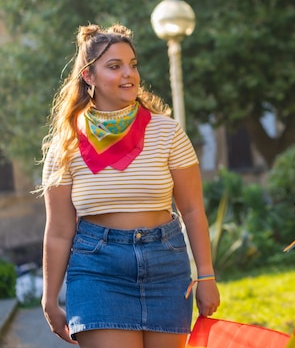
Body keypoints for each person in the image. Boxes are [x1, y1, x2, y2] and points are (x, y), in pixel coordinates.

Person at [38, 23, 220, 348]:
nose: (129, 74)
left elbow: (192, 210)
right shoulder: (65, 144)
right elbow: (59, 230)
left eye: (132, 65)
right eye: (114, 66)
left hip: (166, 265)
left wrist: (205, 275)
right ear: (88, 76)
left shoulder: (167, 132)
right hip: (97, 271)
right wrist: (50, 298)